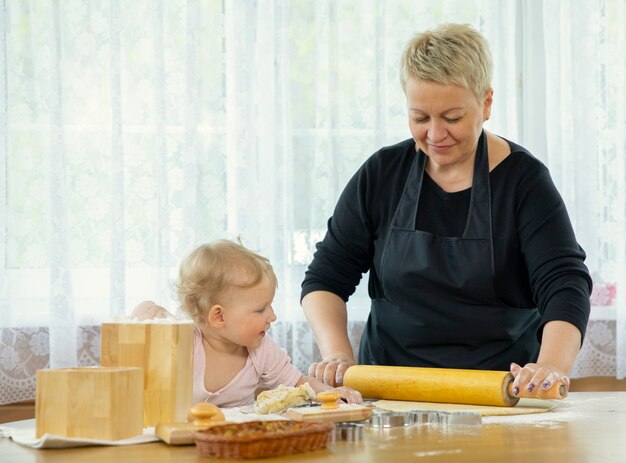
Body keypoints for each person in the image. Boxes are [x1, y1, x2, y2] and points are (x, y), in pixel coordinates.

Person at [301, 23, 591, 397]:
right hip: (390, 396)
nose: (435, 135)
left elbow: (564, 284)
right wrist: (338, 355)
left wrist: (551, 365)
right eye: (420, 118)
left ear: (486, 103)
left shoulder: (525, 181)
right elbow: (325, 278)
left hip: (498, 395)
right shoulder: (381, 174)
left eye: (452, 118)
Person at [132, 239, 362, 407]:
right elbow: (142, 309)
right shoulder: (185, 342)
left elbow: (300, 383)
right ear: (219, 317)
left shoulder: (261, 349)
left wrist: (332, 393)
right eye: (261, 309)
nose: (272, 316)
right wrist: (160, 318)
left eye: (270, 305)